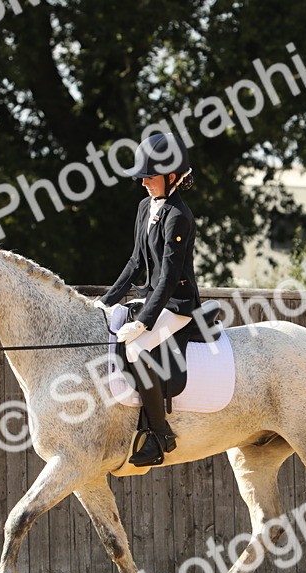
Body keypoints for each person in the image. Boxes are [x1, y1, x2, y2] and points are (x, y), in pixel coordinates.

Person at [95, 133, 201, 467]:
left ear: (172, 177)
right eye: (142, 176)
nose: (143, 182)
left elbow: (169, 277)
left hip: (177, 305)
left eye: (149, 176)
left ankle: (160, 434)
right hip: (150, 298)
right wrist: (105, 301)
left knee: (137, 347)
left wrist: (144, 321)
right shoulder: (146, 207)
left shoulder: (179, 216)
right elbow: (135, 263)